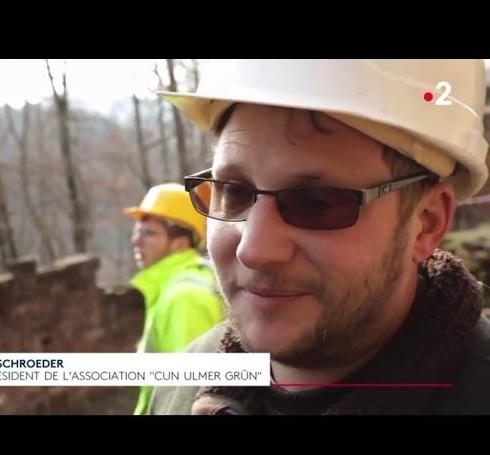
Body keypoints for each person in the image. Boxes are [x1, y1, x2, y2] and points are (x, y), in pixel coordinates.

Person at [148, 59, 490, 415]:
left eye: (316, 202)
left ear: (426, 222)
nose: (254, 250)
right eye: (233, 191)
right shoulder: (182, 383)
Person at [124, 183, 224, 415]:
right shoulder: (177, 287)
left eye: (149, 233)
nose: (136, 241)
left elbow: (188, 392)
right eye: (137, 231)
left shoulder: (184, 298)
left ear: (180, 243)